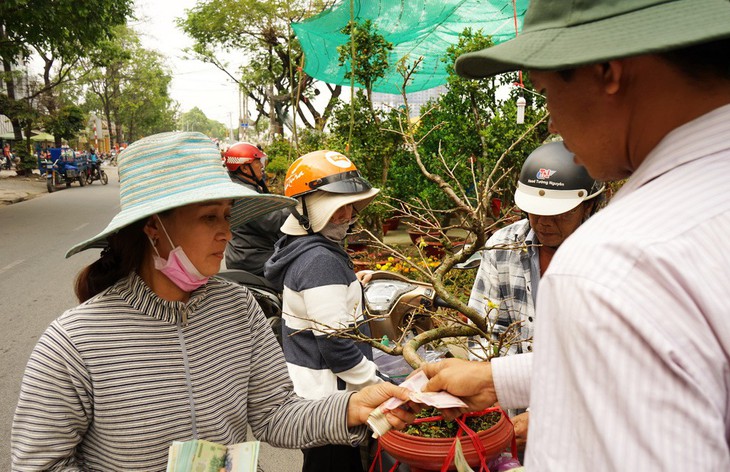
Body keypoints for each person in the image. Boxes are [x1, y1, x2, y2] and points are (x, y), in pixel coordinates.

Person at [422, 0, 730, 469]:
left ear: (605, 70)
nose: (552, 124)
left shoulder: (611, 263)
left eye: (546, 92)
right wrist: (496, 379)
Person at [10, 132, 415, 471]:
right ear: (154, 227)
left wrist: (352, 407)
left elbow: (276, 415)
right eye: (209, 218)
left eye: (227, 215)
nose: (226, 232)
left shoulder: (238, 309)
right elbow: (40, 463)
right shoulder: (73, 344)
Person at [466, 141, 603, 454]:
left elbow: (607, 363)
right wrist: (487, 403)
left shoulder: (604, 258)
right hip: (510, 417)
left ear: (589, 207)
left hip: (583, 423)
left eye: (559, 214)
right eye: (536, 211)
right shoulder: (503, 247)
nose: (543, 222)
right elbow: (484, 333)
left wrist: (547, 414)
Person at [264, 150, 383, 472]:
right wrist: (378, 384)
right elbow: (337, 346)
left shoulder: (301, 249)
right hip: (333, 402)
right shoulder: (321, 261)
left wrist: (347, 285)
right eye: (336, 207)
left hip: (311, 395)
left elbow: (318, 306)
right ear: (306, 209)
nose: (347, 216)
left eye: (350, 206)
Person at [223, 141, 290, 276]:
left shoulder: (242, 186)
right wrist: (300, 207)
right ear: (245, 168)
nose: (261, 166)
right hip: (252, 258)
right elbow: (274, 221)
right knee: (300, 264)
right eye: (257, 162)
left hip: (249, 252)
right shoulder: (244, 194)